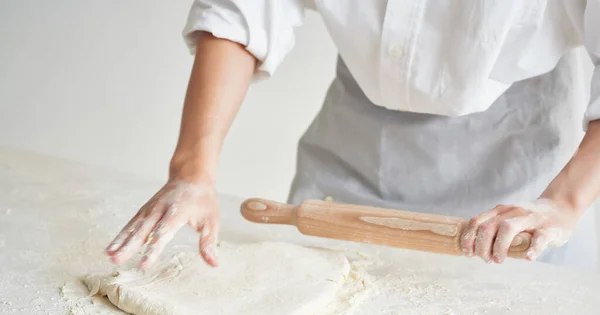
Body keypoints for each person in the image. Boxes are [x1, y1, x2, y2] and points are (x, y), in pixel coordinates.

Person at [106, 1, 600, 271]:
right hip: (353, 157)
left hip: (521, 178)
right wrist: (193, 171)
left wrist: (566, 202)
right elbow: (244, 11)